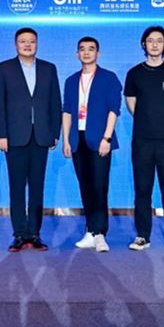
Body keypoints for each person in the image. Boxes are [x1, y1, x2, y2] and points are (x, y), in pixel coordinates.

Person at [0, 27, 61, 252]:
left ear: (37, 44)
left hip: (41, 136)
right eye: (23, 41)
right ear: (16, 44)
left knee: (38, 187)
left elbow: (55, 103)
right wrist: (0, 134)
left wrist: (55, 133)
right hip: (14, 137)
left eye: (31, 41)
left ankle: (35, 233)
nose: (27, 45)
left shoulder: (49, 68)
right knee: (17, 187)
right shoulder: (4, 68)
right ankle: (20, 234)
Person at [124, 26, 164, 252]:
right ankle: (142, 235)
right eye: (150, 40)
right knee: (143, 189)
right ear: (144, 44)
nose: (154, 44)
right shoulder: (134, 73)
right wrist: (148, 122)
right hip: (142, 141)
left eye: (159, 40)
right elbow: (131, 105)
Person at [62, 36, 122, 253]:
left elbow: (114, 110)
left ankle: (100, 233)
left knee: (99, 186)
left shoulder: (109, 78)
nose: (86, 52)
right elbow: (67, 111)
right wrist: (66, 139)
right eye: (82, 49)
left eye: (91, 49)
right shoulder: (71, 80)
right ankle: (90, 230)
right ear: (77, 54)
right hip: (77, 139)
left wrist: (107, 138)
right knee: (85, 186)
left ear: (98, 53)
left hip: (99, 140)